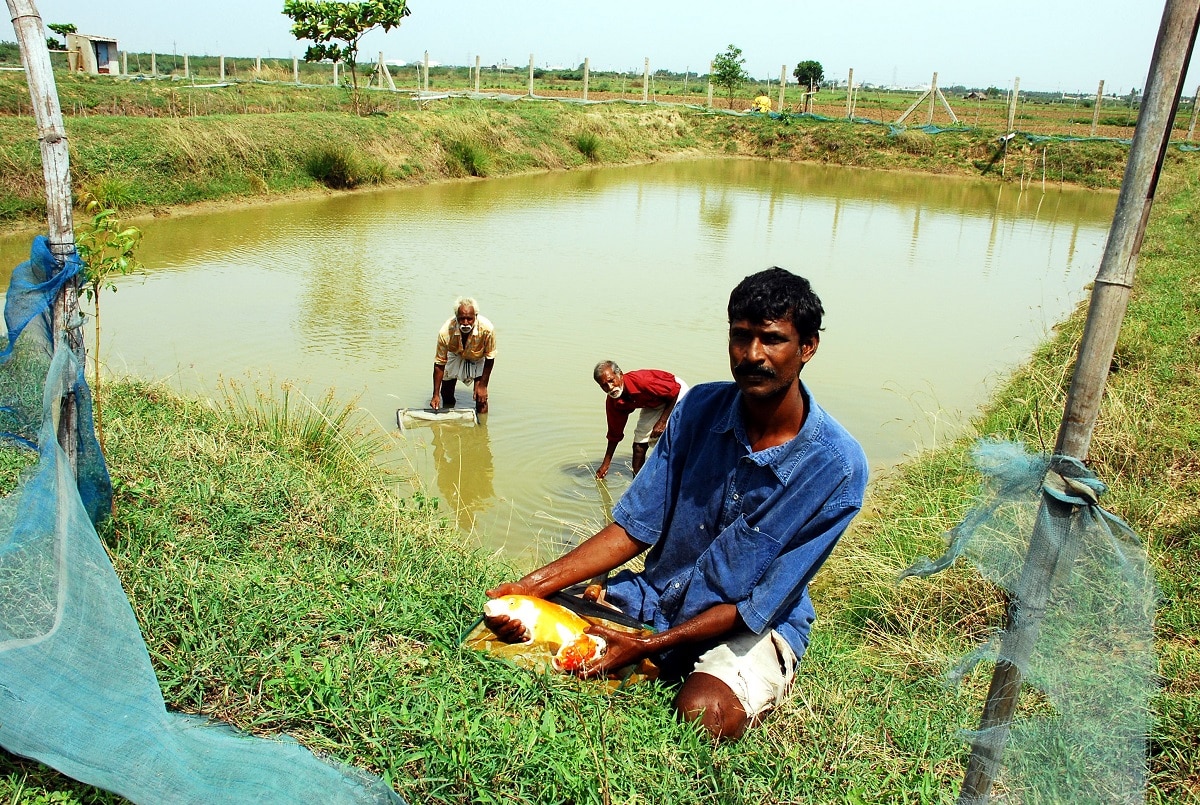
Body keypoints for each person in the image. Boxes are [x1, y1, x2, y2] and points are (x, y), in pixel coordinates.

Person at [485, 267, 868, 741]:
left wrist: (653, 643)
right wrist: (531, 585)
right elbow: (633, 529)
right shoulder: (697, 408)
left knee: (700, 713)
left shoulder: (837, 468)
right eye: (740, 336)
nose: (752, 355)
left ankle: (673, 663)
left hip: (750, 625)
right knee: (512, 622)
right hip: (655, 598)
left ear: (807, 347)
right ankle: (649, 657)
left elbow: (757, 605)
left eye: (772, 339)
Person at [592, 361, 688, 480]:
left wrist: (662, 422)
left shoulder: (643, 381)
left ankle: (677, 476)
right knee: (638, 446)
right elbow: (614, 434)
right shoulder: (614, 401)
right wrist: (606, 464)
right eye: (604, 385)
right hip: (652, 402)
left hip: (674, 393)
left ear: (620, 374)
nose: (610, 387)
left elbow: (675, 391)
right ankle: (637, 484)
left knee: (672, 439)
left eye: (611, 381)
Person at [430, 297, 496, 414]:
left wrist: (483, 386)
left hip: (477, 355)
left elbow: (490, 358)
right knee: (446, 393)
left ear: (475, 316)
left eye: (469, 319)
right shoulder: (445, 332)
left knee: (481, 398)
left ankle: (481, 428)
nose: (465, 323)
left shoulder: (487, 329)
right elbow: (440, 363)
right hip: (455, 354)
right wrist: (435, 394)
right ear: (456, 317)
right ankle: (449, 423)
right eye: (462, 319)